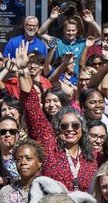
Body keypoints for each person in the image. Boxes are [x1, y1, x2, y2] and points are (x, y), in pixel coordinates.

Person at [19, 46, 97, 190]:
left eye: (75, 125)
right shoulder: (49, 145)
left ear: (82, 128)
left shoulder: (91, 155)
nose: (69, 129)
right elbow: (31, 106)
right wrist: (23, 70)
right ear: (57, 128)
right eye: (64, 126)